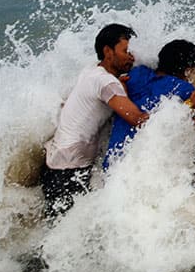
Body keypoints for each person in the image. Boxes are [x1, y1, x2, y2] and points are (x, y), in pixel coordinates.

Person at [41, 23, 147, 218]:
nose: (131, 56)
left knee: (56, 233)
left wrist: (118, 87)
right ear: (108, 51)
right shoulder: (106, 82)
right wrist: (184, 109)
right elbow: (138, 119)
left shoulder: (90, 72)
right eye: (125, 51)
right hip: (69, 170)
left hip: (53, 162)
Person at [103, 39, 195, 169]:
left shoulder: (135, 74)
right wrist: (191, 106)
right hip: (141, 170)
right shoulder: (185, 89)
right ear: (187, 69)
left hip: (111, 166)